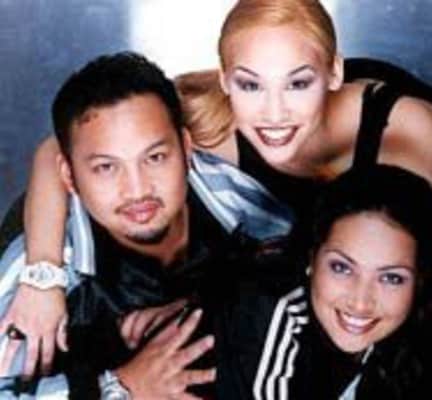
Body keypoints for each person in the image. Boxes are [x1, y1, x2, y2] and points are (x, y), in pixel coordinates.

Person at [0, 0, 432, 375]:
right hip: (324, 228)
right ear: (227, 80)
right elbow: (62, 147)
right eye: (250, 84)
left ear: (333, 74)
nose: (274, 114)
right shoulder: (214, 116)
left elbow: (405, 280)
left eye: (298, 83)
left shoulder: (403, 139)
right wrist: (43, 277)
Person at [0, 51, 266, 398]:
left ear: (186, 148)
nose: (137, 189)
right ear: (68, 175)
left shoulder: (243, 200)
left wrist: (204, 305)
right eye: (106, 168)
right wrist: (122, 385)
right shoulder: (39, 274)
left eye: (155, 158)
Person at [210, 166, 432, 399]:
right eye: (342, 268)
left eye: (391, 278)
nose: (361, 301)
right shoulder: (267, 311)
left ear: (420, 281)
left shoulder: (414, 335)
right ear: (311, 258)